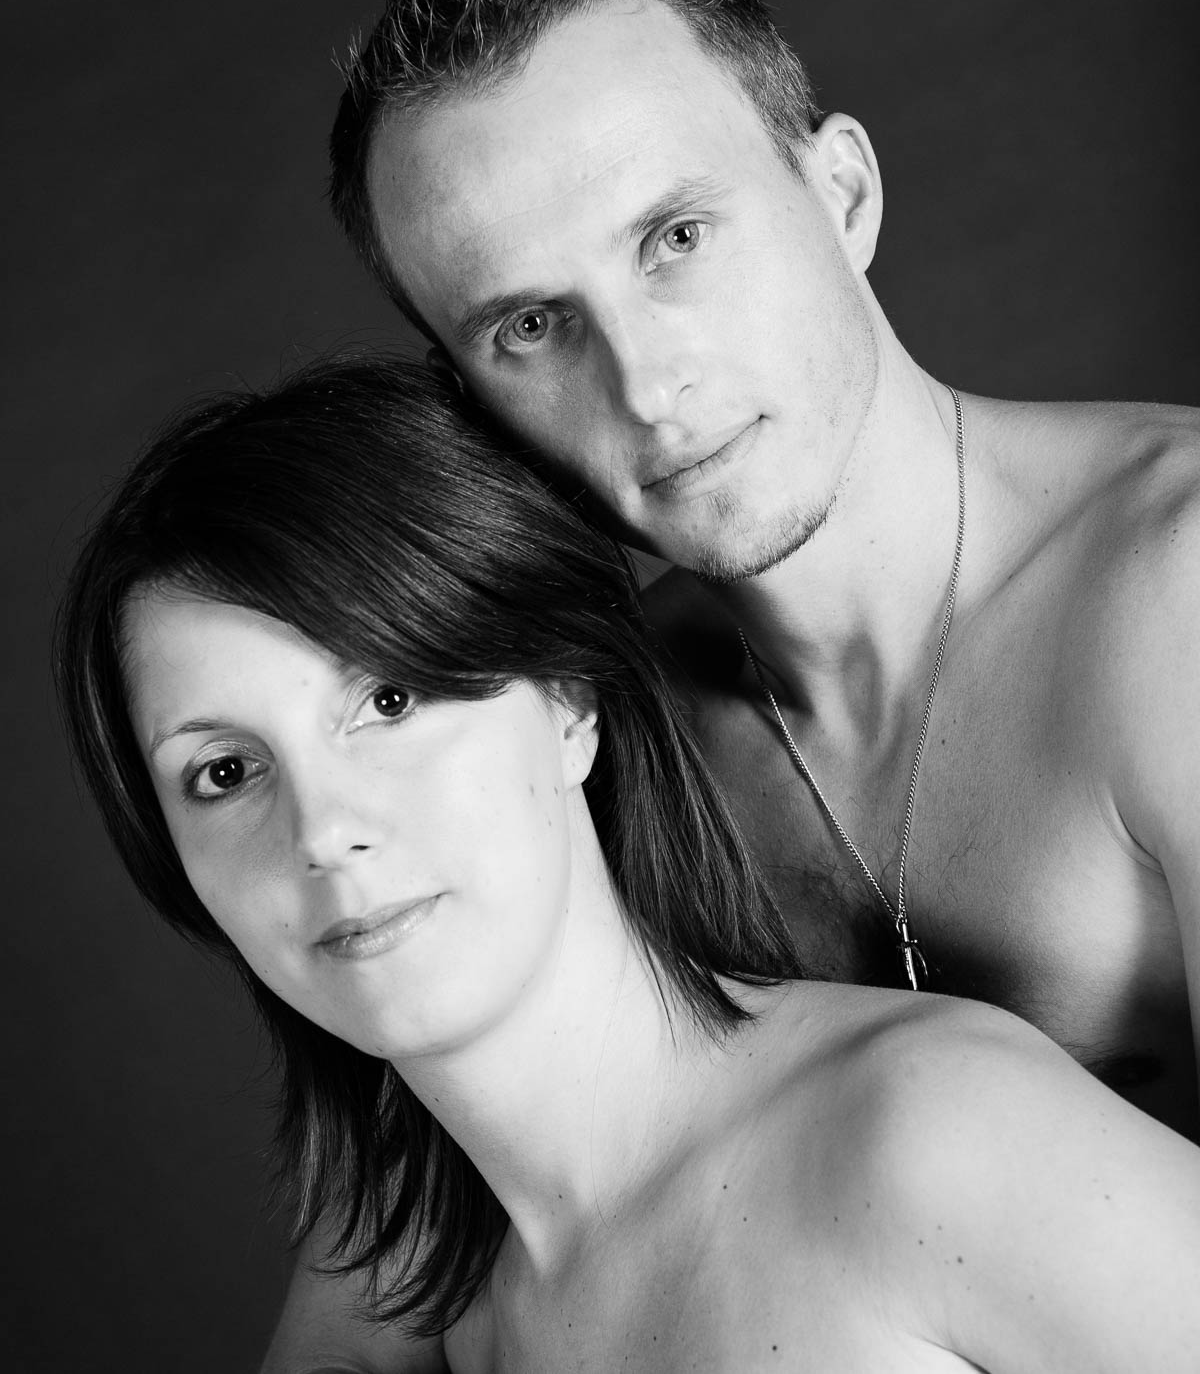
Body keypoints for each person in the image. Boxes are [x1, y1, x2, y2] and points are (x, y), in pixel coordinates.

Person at [54, 358, 1200, 1371]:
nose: (320, 830)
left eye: (389, 700)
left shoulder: (930, 1135)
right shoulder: (450, 1306)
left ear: (567, 705)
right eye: (223, 772)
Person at [327, 0, 1200, 1142]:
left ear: (841, 194)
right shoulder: (597, 742)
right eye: (529, 326)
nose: (643, 384)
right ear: (468, 398)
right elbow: (383, 1297)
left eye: (675, 240)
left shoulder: (1178, 581)